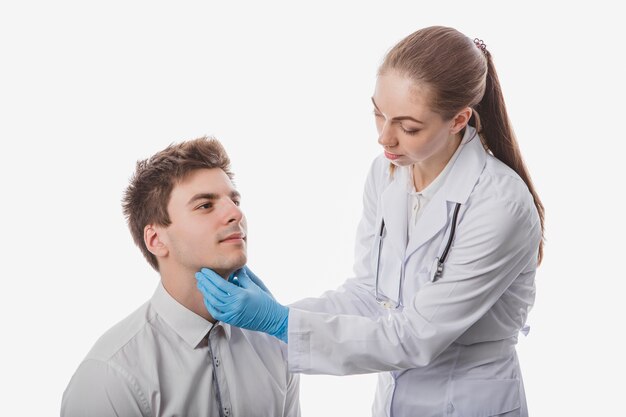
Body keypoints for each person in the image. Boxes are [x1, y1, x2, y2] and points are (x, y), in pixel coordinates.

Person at [196, 25, 544, 417]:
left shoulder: (499, 204)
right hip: (394, 401)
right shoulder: (387, 174)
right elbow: (370, 295)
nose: (385, 138)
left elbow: (415, 336)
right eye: (378, 114)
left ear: (458, 119)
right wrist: (276, 318)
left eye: (408, 127)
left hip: (468, 402)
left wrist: (282, 323)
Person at [61, 137, 300, 417]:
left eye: (234, 200)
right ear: (156, 239)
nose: (236, 213)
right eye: (205, 205)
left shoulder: (272, 344)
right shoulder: (110, 376)